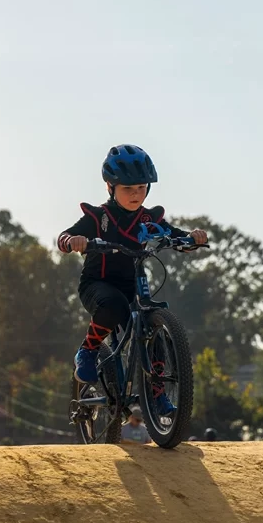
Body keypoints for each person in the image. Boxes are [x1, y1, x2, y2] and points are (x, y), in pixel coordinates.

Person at [58, 144, 208, 416]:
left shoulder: (149, 219)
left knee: (156, 333)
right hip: (97, 285)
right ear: (110, 187)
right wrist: (74, 241)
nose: (136, 194)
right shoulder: (99, 217)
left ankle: (157, 394)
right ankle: (89, 350)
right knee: (113, 305)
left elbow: (176, 236)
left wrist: (192, 238)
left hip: (133, 287)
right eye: (128, 189)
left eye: (141, 188)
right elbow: (63, 238)